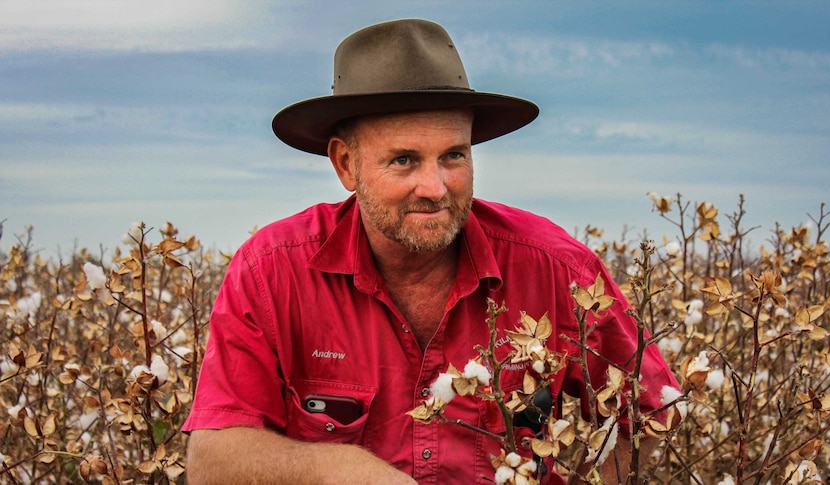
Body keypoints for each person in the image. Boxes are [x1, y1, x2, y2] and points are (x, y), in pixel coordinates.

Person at [183, 19, 678, 485]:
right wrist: (348, 472)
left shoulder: (554, 267)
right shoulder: (272, 272)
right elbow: (212, 459)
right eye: (404, 160)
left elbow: (655, 409)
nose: (435, 187)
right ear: (346, 165)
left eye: (453, 156)